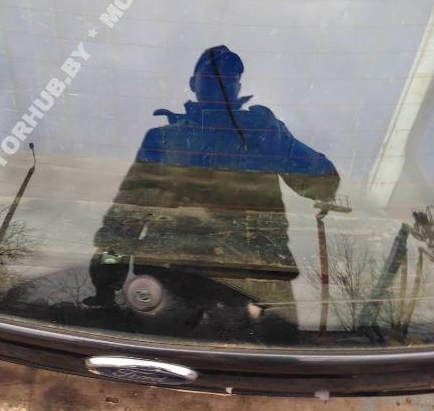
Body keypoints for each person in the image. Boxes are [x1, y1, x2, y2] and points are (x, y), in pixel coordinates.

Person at [86, 45, 339, 341]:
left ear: (238, 86)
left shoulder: (262, 131)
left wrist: (277, 138)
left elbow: (324, 183)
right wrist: (106, 281)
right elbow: (127, 213)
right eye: (211, 76)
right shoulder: (163, 139)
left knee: (274, 360)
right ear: (194, 84)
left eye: (229, 78)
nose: (220, 82)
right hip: (172, 285)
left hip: (256, 285)